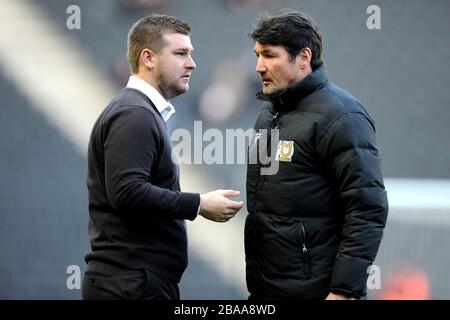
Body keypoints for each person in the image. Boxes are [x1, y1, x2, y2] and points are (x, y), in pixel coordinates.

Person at [82, 14, 243, 300]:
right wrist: (199, 204)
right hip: (131, 284)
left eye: (190, 54)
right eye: (180, 54)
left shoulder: (138, 111)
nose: (192, 63)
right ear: (148, 58)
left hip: (133, 281)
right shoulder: (135, 113)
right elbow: (127, 192)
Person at [245, 11, 389, 300]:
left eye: (270, 55)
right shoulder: (268, 114)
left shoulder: (342, 115)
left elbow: (367, 208)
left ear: (303, 57)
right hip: (266, 289)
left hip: (318, 292)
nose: (259, 66)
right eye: (257, 55)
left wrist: (344, 291)